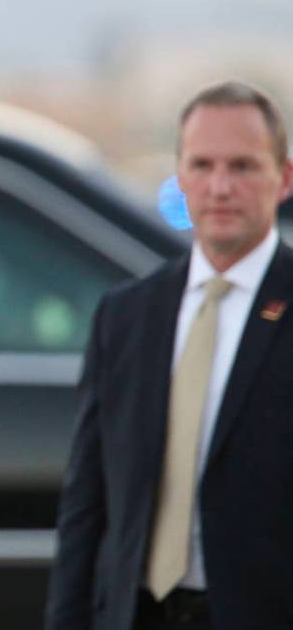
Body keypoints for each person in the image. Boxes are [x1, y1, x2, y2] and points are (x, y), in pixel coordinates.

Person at [46, 79, 293, 630]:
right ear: (180, 175)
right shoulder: (127, 315)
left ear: (284, 178)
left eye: (243, 166)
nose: (220, 187)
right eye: (202, 165)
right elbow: (88, 506)